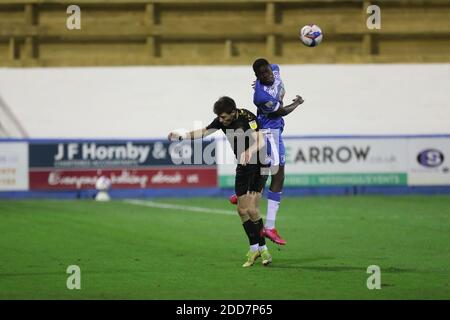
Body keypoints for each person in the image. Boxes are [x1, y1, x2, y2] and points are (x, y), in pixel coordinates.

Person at [168, 96, 272, 267]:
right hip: (244, 165)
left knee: (252, 208)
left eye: (224, 117)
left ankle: (264, 249)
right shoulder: (221, 121)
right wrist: (183, 135)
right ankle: (254, 249)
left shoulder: (248, 118)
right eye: (219, 117)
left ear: (233, 112)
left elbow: (261, 141)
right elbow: (204, 131)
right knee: (241, 210)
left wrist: (249, 151)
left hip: (260, 163)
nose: (221, 120)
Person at [230, 58, 304, 246]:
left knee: (269, 169)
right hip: (268, 130)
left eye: (267, 71)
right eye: (261, 74)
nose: (266, 75)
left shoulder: (276, 70)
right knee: (277, 175)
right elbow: (282, 112)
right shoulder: (260, 97)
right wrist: (297, 103)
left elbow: (278, 82)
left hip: (276, 130)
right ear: (257, 76)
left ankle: (242, 193)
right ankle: (269, 226)